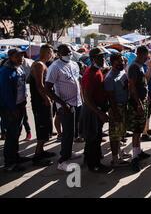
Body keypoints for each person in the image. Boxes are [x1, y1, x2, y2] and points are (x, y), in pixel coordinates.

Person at [45, 44, 83, 172]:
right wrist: (62, 103)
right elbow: (47, 89)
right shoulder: (54, 67)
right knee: (67, 133)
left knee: (72, 132)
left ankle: (67, 152)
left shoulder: (74, 64)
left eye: (70, 51)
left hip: (77, 102)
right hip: (65, 105)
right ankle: (62, 161)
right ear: (59, 54)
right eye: (65, 52)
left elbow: (76, 81)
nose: (69, 54)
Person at [80, 47, 111, 173]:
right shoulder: (90, 74)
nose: (103, 58)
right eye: (100, 57)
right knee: (93, 138)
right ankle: (94, 165)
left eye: (103, 56)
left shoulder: (97, 71)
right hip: (92, 110)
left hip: (97, 109)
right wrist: (99, 112)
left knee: (94, 138)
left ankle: (90, 159)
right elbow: (87, 98)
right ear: (93, 59)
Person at [0, 49, 29, 171]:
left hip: (20, 105)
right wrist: (12, 109)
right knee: (11, 135)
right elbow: (5, 93)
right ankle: (9, 163)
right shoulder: (5, 72)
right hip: (10, 109)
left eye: (22, 56)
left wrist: (23, 101)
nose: (21, 58)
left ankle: (15, 156)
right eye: (17, 56)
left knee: (16, 133)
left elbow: (22, 86)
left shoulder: (19, 68)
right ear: (10, 57)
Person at [29, 44, 56, 166]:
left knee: (46, 128)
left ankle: (41, 151)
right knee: (42, 128)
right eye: (51, 52)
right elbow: (39, 85)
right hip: (40, 102)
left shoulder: (43, 64)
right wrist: (46, 98)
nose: (52, 55)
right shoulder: (39, 65)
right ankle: (37, 157)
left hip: (44, 101)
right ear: (46, 52)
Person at [127, 45, 151, 172]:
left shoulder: (141, 66)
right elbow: (132, 87)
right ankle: (135, 158)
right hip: (137, 104)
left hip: (143, 101)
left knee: (140, 128)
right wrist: (138, 104)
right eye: (147, 54)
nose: (148, 56)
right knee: (137, 131)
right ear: (141, 54)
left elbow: (145, 81)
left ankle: (138, 151)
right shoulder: (133, 67)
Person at [104, 53, 131, 168]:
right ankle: (115, 160)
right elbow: (110, 98)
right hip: (116, 107)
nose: (122, 63)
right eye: (119, 61)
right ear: (113, 62)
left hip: (124, 106)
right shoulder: (110, 78)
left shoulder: (121, 72)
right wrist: (115, 112)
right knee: (114, 135)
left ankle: (120, 153)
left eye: (122, 61)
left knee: (120, 133)